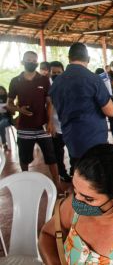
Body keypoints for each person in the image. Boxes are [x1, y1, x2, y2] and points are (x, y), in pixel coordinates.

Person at [38, 144, 113, 265]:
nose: (76, 199)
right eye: (75, 189)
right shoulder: (73, 207)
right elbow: (47, 235)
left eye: (88, 198)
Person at [50, 43, 113, 176]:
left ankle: (77, 195)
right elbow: (111, 111)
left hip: (71, 137)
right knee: (95, 177)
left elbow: (55, 106)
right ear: (88, 59)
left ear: (69, 58)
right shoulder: (93, 79)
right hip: (93, 139)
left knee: (78, 173)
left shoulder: (57, 82)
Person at [8, 51, 60, 191]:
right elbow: (9, 104)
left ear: (37, 62)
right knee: (24, 159)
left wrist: (50, 122)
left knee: (51, 157)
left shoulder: (44, 80)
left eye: (34, 60)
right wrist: (19, 109)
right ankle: (25, 183)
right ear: (22, 62)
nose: (31, 62)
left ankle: (58, 185)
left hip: (43, 125)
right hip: (24, 127)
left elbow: (49, 103)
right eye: (28, 60)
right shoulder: (15, 81)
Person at [49, 61, 70, 182]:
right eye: (54, 73)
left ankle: (75, 171)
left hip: (69, 126)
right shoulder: (48, 88)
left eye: (59, 72)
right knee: (58, 152)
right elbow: (48, 106)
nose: (56, 74)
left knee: (73, 152)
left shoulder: (69, 85)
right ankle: (62, 173)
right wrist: (50, 123)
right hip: (56, 126)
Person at [95, 68, 113, 145]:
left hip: (101, 105)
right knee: (111, 119)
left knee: (104, 121)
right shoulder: (106, 80)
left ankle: (105, 140)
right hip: (108, 103)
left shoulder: (96, 81)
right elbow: (112, 94)